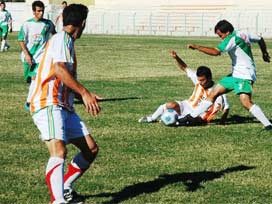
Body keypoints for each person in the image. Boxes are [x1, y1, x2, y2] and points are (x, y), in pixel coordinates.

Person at [29, 4, 100, 204]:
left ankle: (65, 187)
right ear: (83, 23)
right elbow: (59, 69)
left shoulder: (66, 41)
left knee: (90, 149)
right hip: (48, 102)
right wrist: (84, 92)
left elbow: (61, 77)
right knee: (59, 151)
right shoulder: (61, 38)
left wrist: (84, 95)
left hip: (63, 105)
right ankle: (58, 200)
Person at [187, 19, 272, 130]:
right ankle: (192, 116)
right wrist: (264, 53)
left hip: (244, 75)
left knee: (246, 102)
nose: (220, 37)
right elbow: (260, 39)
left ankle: (268, 125)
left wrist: (197, 47)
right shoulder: (243, 33)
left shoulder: (231, 39)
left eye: (220, 35)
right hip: (236, 74)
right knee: (214, 92)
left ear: (227, 32)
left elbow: (216, 52)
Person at [138, 50, 230, 126]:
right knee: (170, 105)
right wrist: (176, 57)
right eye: (199, 80)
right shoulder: (198, 81)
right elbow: (185, 68)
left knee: (192, 121)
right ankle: (152, 118)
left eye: (202, 80)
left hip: (199, 115)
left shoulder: (218, 90)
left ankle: (177, 121)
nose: (200, 83)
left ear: (209, 78)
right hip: (187, 105)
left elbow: (226, 107)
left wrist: (222, 121)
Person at [18, 0, 56, 111]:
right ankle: (35, 95)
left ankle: (29, 102)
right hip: (28, 57)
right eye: (38, 11)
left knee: (35, 79)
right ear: (33, 11)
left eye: (42, 11)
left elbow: (54, 35)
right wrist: (27, 54)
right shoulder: (27, 24)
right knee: (29, 80)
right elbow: (21, 40)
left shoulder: (48, 24)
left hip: (41, 57)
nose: (41, 13)